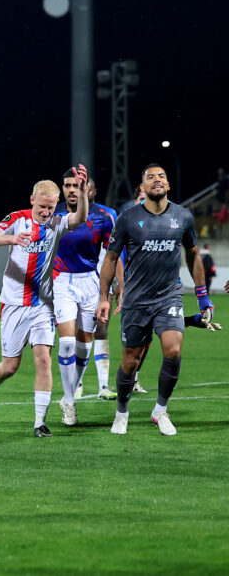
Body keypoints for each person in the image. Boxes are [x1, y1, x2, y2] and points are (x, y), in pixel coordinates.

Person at [97, 163, 211, 436]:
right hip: (136, 299)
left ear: (168, 185)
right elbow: (111, 258)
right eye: (151, 177)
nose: (157, 180)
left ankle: (160, 410)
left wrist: (203, 296)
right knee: (130, 360)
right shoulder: (128, 218)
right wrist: (104, 296)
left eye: (162, 176)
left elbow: (193, 254)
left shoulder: (183, 217)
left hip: (169, 295)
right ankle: (121, 411)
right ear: (143, 187)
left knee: (173, 349)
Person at [0, 168, 89, 438]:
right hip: (14, 305)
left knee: (43, 360)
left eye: (50, 207)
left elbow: (80, 217)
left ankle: (39, 422)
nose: (45, 212)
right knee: (10, 367)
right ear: (32, 201)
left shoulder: (57, 223)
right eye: (41, 207)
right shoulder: (17, 219)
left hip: (42, 306)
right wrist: (12, 239)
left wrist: (82, 192)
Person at [51, 170, 116, 425]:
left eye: (77, 185)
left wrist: (106, 293)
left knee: (84, 344)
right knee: (66, 343)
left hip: (90, 280)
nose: (71, 190)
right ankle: (69, 399)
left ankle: (72, 390)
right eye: (67, 185)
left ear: (86, 188)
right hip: (62, 281)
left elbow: (110, 257)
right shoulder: (54, 216)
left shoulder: (104, 218)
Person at [74, 179, 120, 401]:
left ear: (94, 190)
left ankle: (103, 385)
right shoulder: (66, 215)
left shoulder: (108, 214)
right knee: (78, 333)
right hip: (73, 283)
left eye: (88, 187)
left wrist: (119, 282)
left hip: (100, 283)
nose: (85, 190)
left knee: (101, 330)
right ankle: (77, 383)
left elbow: (116, 252)